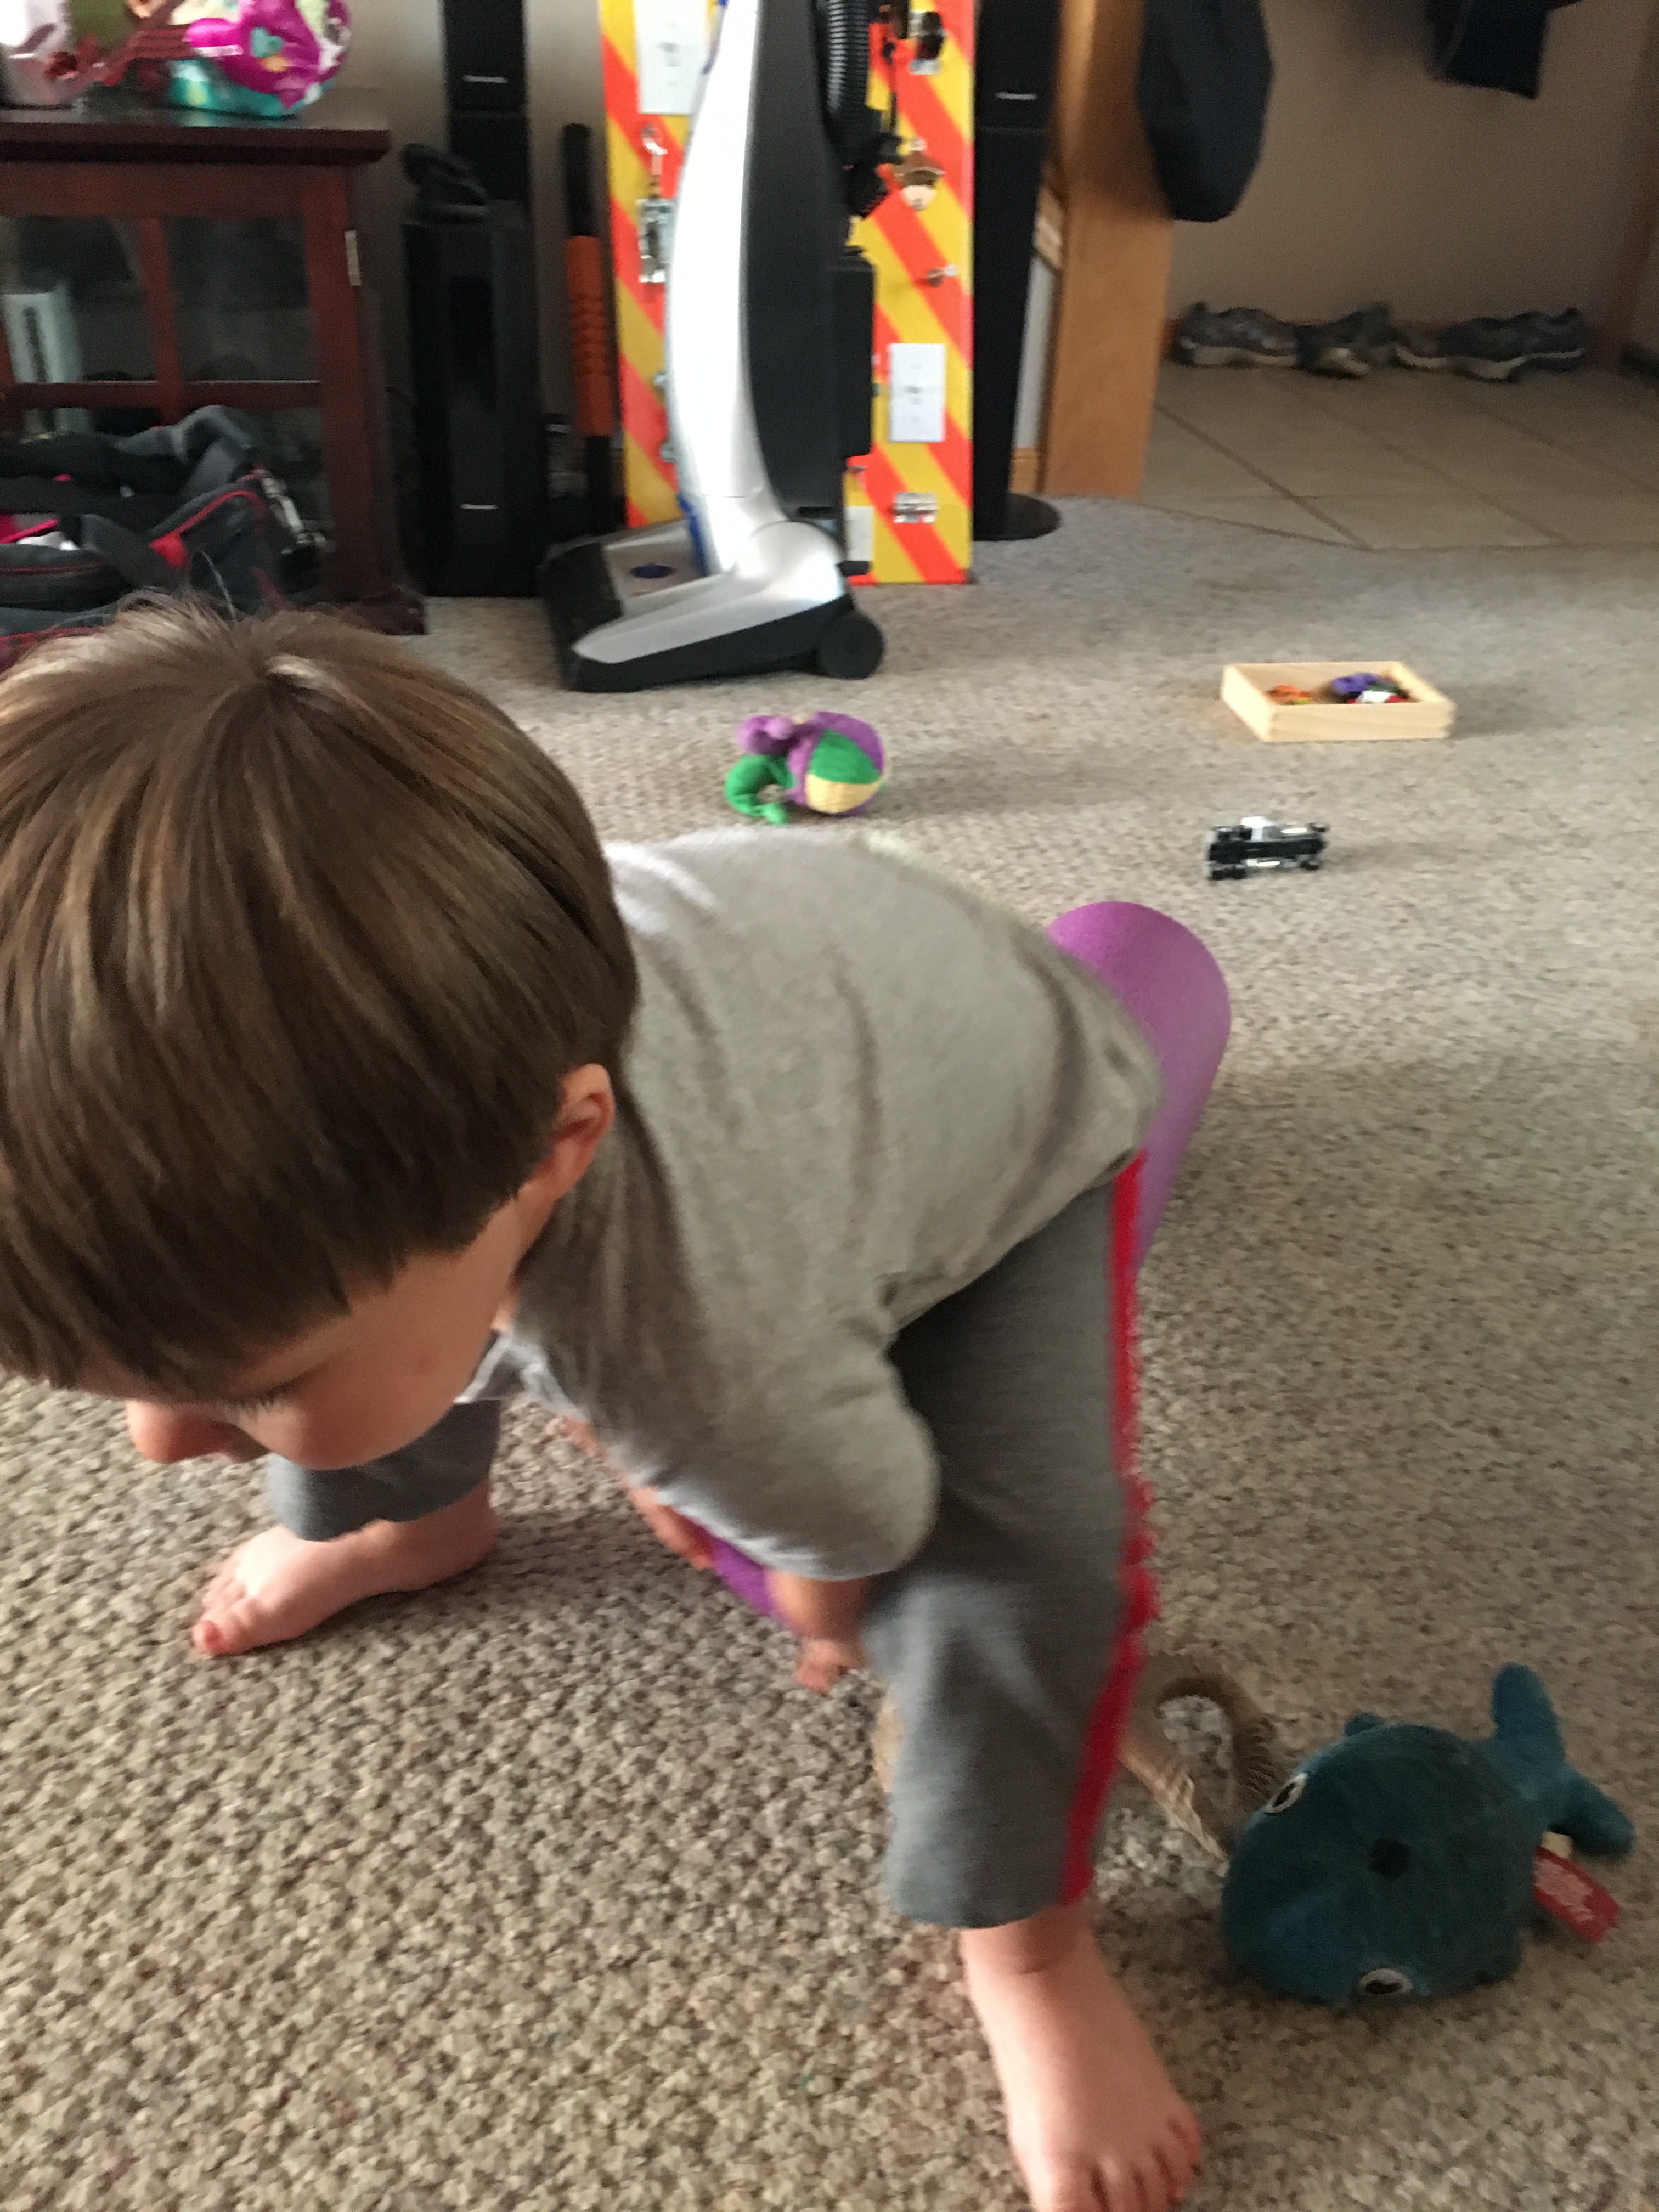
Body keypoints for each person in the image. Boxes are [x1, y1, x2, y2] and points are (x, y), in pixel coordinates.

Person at [0, 603, 1201, 2212]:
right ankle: (410, 1519)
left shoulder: (696, 1345)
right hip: (773, 993)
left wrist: (810, 1584)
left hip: (1019, 1120)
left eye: (217, 1392)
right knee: (365, 1342)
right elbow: (375, 1300)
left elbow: (857, 1520)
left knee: (1020, 1563)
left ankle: (1031, 1950)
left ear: (556, 1155)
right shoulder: (458, 1059)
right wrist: (284, 1385)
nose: (155, 1447)